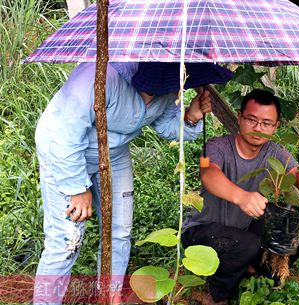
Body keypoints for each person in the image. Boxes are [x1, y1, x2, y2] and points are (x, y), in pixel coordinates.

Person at [33, 61, 232, 304]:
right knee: (66, 241)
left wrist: (191, 117)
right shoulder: (97, 78)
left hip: (113, 154)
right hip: (63, 152)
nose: (175, 91)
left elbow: (165, 124)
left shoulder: (168, 83)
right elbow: (64, 136)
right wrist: (77, 189)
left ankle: (110, 295)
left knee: (120, 230)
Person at [182, 89, 299, 305]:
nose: (258, 128)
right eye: (251, 119)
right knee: (247, 243)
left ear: (276, 127)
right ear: (240, 118)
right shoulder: (217, 146)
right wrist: (241, 197)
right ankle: (216, 295)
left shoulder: (276, 152)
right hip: (201, 231)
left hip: (243, 231)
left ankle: (251, 269)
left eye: (267, 123)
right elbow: (209, 174)